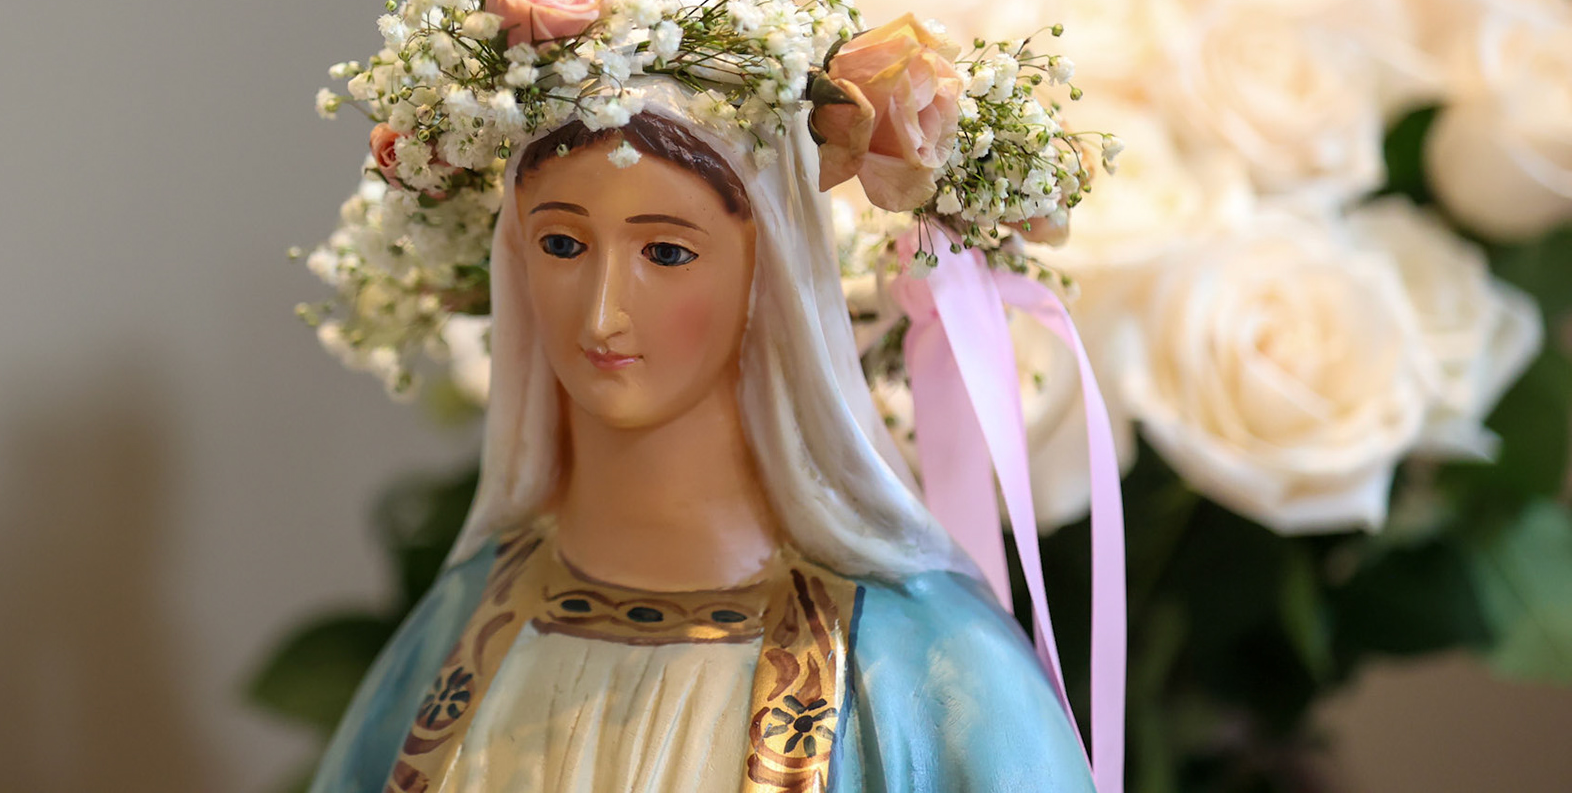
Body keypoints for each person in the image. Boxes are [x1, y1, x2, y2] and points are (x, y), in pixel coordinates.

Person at [309, 77, 1095, 792]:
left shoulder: (926, 666)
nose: (603, 313)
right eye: (562, 245)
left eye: (666, 252)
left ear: (770, 275)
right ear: (515, 259)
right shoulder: (465, 622)